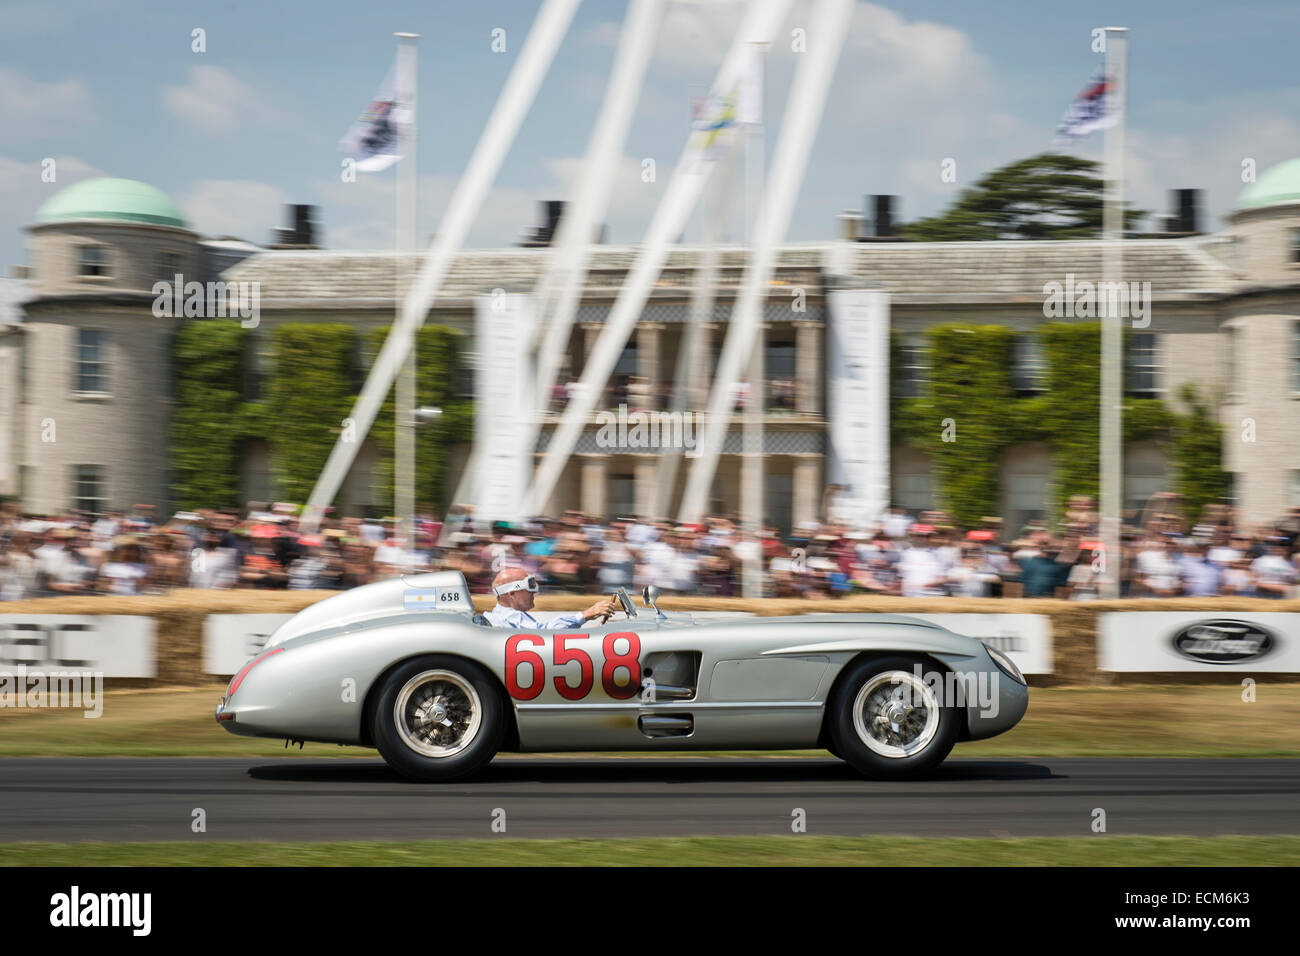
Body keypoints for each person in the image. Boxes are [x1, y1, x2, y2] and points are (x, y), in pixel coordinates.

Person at [483, 567, 618, 629]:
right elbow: (546, 634)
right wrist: (586, 614)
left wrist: (596, 631)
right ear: (512, 593)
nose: (533, 592)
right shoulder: (509, 617)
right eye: (530, 586)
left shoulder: (507, 615)